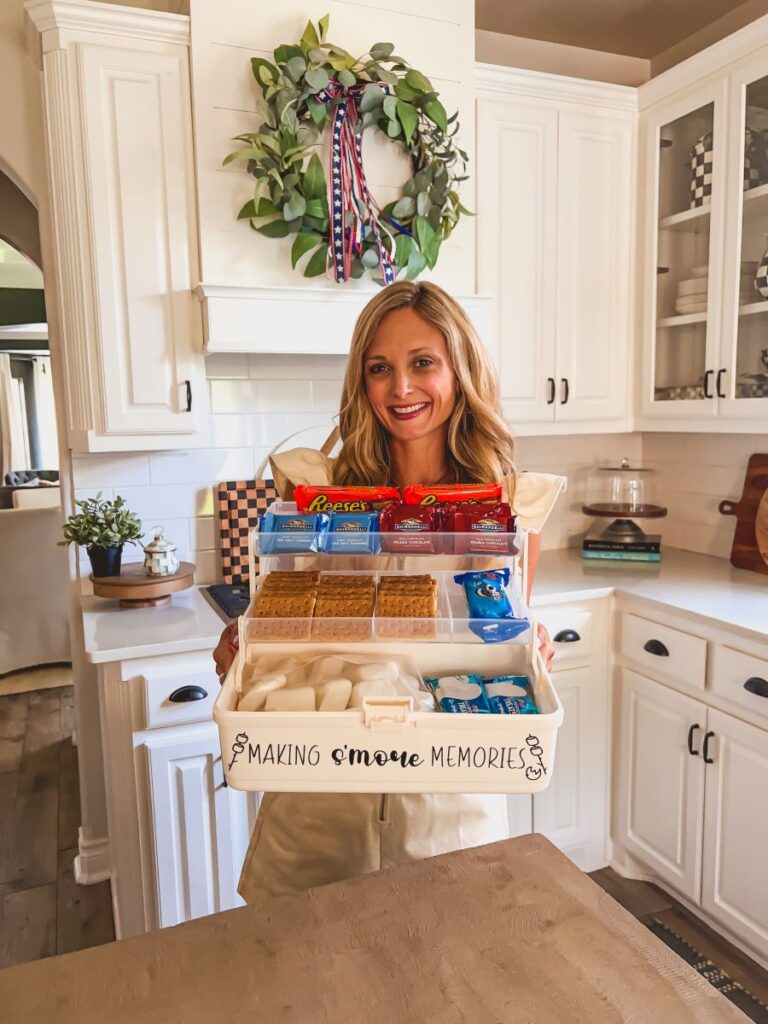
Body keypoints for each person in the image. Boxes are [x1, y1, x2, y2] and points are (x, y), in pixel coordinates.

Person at [213, 281, 565, 903]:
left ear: (460, 371)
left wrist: (529, 644)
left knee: (448, 986)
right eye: (380, 368)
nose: (400, 389)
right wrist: (246, 642)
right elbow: (282, 619)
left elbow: (507, 631)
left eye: (422, 363)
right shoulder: (316, 493)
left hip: (449, 809)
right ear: (362, 381)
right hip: (317, 804)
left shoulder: (506, 507)